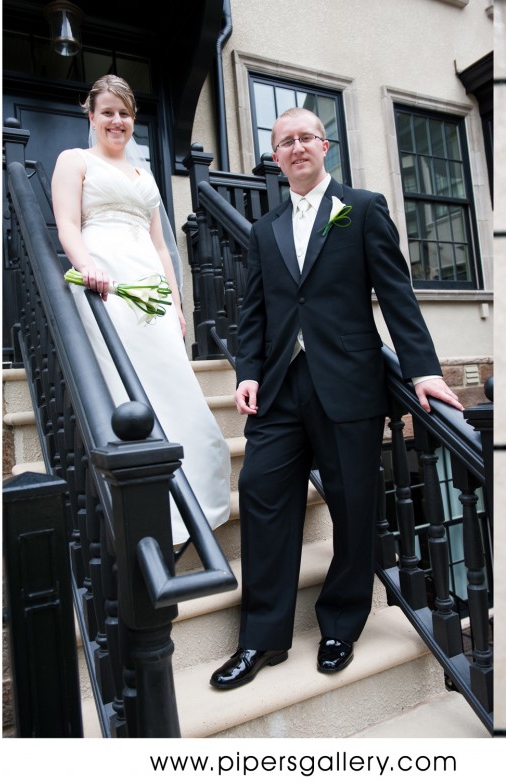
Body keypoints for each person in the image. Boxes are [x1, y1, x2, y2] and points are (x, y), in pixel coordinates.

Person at [208, 107, 464, 690]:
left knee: (352, 504)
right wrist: (248, 371)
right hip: (279, 389)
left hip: (348, 381)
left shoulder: (364, 209)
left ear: (325, 147)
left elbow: (396, 295)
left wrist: (422, 369)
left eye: (305, 138)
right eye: (284, 142)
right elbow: (256, 314)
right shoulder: (266, 229)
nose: (296, 148)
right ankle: (262, 639)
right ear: (276, 158)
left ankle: (341, 624)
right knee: (262, 493)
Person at [50, 74, 231, 545]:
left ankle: (195, 499)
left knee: (172, 381)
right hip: (106, 276)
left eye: (125, 113)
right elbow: (67, 223)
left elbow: (163, 247)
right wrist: (86, 266)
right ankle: (143, 502)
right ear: (91, 116)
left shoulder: (145, 174)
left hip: (150, 285)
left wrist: (177, 303)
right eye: (108, 111)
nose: (117, 120)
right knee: (125, 381)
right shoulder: (75, 161)